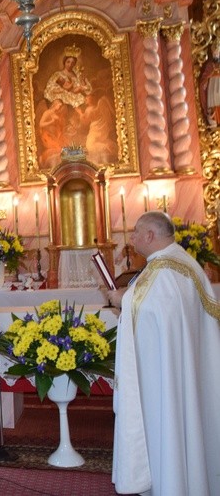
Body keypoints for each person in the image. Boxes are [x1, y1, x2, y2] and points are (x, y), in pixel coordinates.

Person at [106, 212, 220, 495]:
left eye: (135, 233)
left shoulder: (164, 270)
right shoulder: (185, 263)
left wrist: (121, 299)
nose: (131, 239)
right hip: (188, 374)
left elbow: (149, 308)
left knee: (168, 425)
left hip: (165, 380)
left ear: (150, 236)